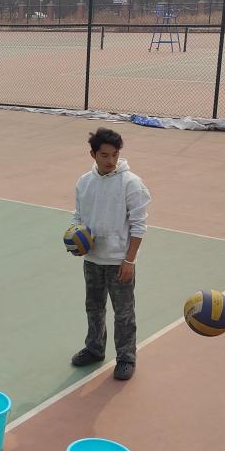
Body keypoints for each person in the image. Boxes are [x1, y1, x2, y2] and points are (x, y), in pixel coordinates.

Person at [69, 127, 151, 381]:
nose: (111, 160)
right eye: (104, 155)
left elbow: (139, 225)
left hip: (119, 262)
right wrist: (75, 240)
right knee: (93, 308)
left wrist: (129, 260)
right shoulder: (84, 182)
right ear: (93, 154)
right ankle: (95, 349)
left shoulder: (131, 183)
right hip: (92, 259)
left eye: (115, 154)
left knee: (124, 313)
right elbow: (78, 217)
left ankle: (126, 358)